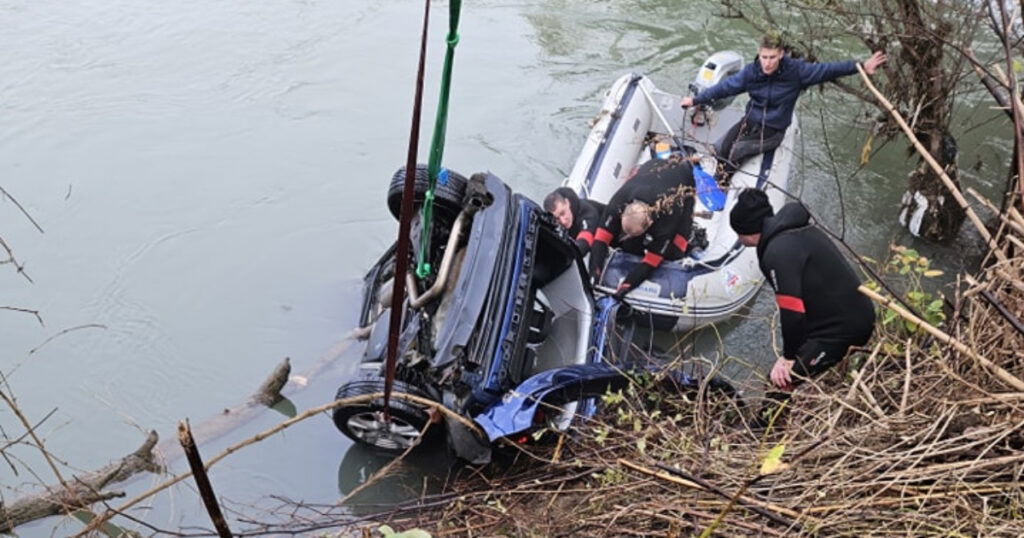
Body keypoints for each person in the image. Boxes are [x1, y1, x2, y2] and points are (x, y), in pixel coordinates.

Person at [729, 189, 875, 401]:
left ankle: (765, 432)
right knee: (786, 369)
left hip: (844, 329)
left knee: (782, 382)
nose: (739, 239)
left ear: (747, 231)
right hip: (845, 315)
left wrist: (789, 358)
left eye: (738, 233)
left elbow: (792, 314)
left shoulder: (777, 253)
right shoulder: (796, 231)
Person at [680, 34, 887, 178]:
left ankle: (722, 185)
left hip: (772, 129)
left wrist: (860, 66)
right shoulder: (752, 72)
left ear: (780, 54)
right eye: (764, 57)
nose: (767, 63)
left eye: (772, 57)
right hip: (750, 121)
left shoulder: (797, 72)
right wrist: (696, 100)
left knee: (736, 152)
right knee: (721, 147)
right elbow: (725, 88)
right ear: (758, 54)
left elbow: (828, 70)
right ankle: (714, 175)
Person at [588, 155, 696, 300]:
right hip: (653, 167)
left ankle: (694, 240)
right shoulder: (619, 201)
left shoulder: (668, 214)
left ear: (650, 224)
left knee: (676, 251)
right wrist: (594, 274)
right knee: (627, 244)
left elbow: (651, 263)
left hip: (683, 186)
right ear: (624, 211)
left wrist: (624, 288)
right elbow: (600, 240)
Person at [543, 187, 606, 255]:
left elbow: (585, 241)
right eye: (557, 219)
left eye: (563, 213)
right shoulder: (558, 221)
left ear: (567, 202)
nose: (563, 221)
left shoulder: (588, 213)